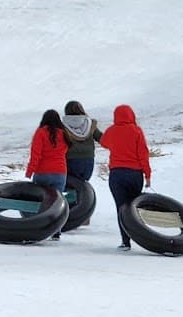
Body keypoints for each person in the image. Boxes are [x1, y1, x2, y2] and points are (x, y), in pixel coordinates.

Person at [100, 104, 151, 250]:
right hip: (135, 174)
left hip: (116, 174)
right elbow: (143, 154)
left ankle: (125, 242)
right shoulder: (137, 131)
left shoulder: (111, 130)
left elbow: (103, 142)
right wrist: (147, 175)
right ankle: (141, 238)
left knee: (121, 208)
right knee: (134, 207)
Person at [62, 101, 101, 186]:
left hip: (70, 160)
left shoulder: (62, 126)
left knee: (70, 185)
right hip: (88, 161)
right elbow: (101, 139)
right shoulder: (90, 124)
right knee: (82, 185)